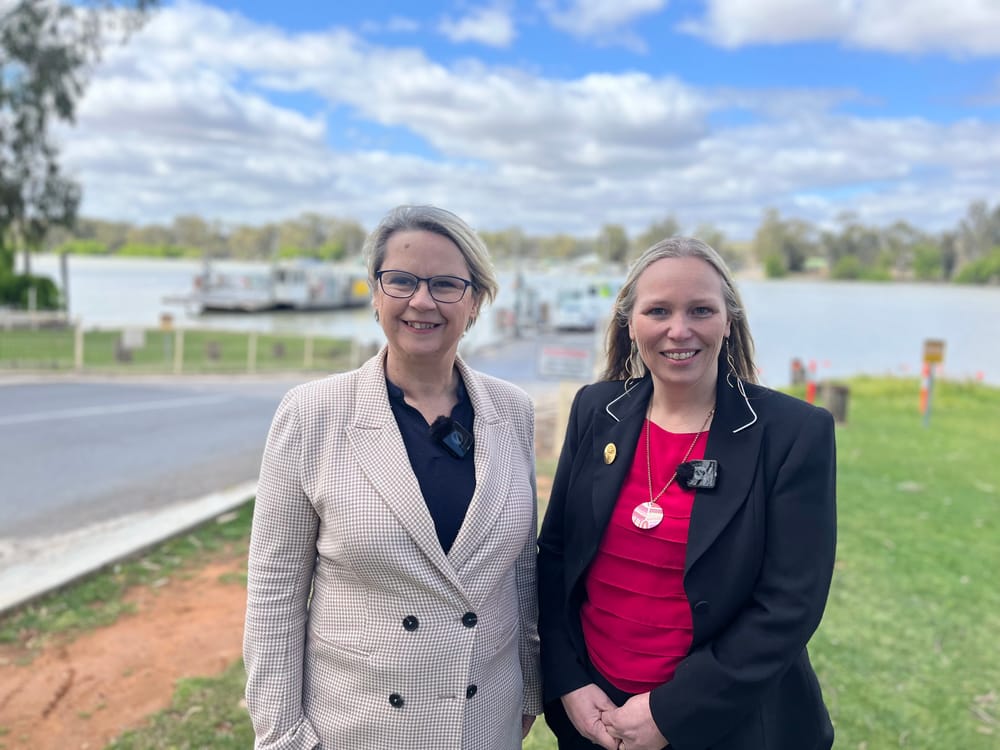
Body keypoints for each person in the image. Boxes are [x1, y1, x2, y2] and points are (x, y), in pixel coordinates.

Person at [244, 205, 542, 749]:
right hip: (357, 727)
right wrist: (282, 735)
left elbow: (521, 573)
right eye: (402, 280)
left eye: (447, 284)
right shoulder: (312, 413)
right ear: (375, 292)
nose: (422, 301)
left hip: (483, 723)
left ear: (475, 301)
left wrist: (527, 694)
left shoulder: (513, 410)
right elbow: (274, 593)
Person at [537, 237, 837, 750]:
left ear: (728, 321)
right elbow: (557, 556)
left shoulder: (793, 432)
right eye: (658, 310)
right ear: (631, 324)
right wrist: (568, 681)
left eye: (701, 310)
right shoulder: (595, 410)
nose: (680, 330)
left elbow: (789, 604)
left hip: (726, 723)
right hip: (595, 715)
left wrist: (670, 713)